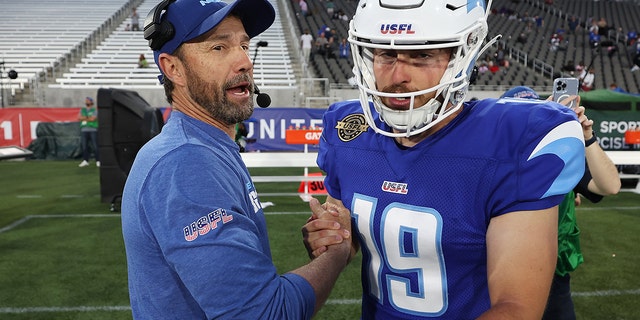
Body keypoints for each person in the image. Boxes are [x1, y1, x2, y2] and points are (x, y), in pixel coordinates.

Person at [301, 0, 586, 318]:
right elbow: (346, 232)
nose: (399, 75)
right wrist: (335, 238)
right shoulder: (350, 131)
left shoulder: (512, 140)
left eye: (422, 55)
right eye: (385, 53)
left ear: (464, 54)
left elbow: (516, 308)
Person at [121, 0, 351, 319]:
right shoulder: (186, 162)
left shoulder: (204, 145)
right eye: (219, 47)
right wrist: (337, 253)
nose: (244, 60)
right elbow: (265, 314)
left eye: (244, 44)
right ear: (172, 68)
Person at [501, 86, 621, 320]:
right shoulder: (491, 158)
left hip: (553, 274)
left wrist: (587, 136)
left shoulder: (557, 157)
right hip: (501, 269)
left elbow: (610, 186)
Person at [78, 97, 99, 167]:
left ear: (91, 102)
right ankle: (85, 160)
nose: (86, 101)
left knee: (95, 146)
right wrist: (88, 117)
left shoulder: (94, 110)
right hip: (84, 130)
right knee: (84, 146)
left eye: (88, 100)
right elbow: (79, 118)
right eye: (86, 100)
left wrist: (84, 118)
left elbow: (93, 119)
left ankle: (98, 160)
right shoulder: (82, 110)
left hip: (93, 130)